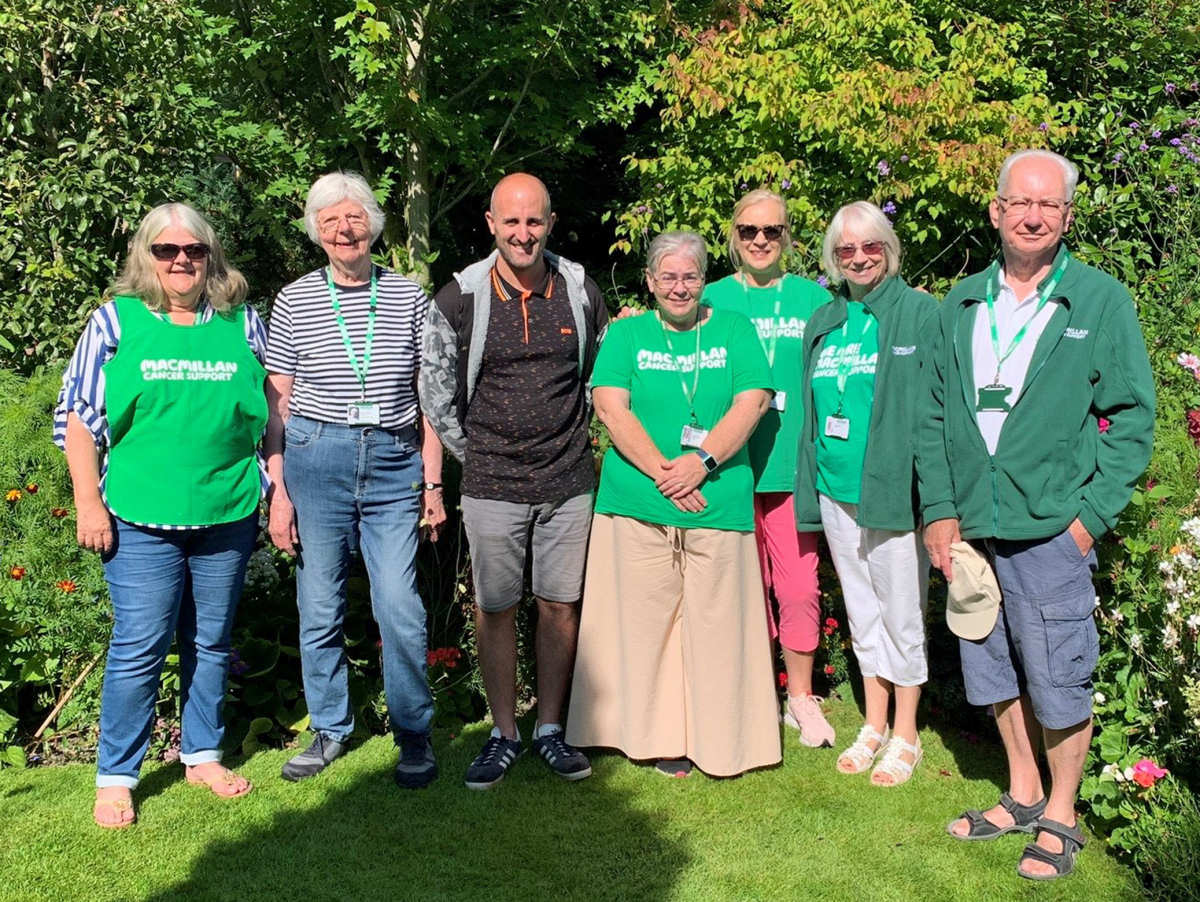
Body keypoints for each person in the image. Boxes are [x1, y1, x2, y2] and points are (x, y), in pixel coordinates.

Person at [920, 150, 1155, 880]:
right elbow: (932, 417)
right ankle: (1021, 792)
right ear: (995, 211)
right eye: (1019, 202)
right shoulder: (959, 304)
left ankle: (1061, 811)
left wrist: (1087, 520)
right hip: (972, 531)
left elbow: (1134, 420)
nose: (1031, 215)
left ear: (1066, 217)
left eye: (1048, 206)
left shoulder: (1098, 301)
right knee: (990, 668)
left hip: (1053, 527)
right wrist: (938, 512)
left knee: (1059, 675)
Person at [55, 203, 267, 827]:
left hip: (226, 513)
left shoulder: (240, 322)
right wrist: (88, 502)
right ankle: (117, 775)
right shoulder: (116, 322)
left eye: (194, 250)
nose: (182, 261)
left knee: (210, 641)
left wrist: (272, 485)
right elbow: (78, 419)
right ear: (147, 256)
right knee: (139, 647)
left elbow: (269, 413)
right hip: (140, 518)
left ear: (211, 256)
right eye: (167, 250)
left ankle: (201, 754)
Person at [566, 230, 781, 778]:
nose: (679, 287)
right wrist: (666, 472)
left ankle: (724, 740)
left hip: (717, 499)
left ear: (703, 279)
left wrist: (700, 463)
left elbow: (753, 400)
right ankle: (652, 737)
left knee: (718, 628)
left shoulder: (734, 329)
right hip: (637, 502)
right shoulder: (627, 333)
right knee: (643, 627)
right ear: (650, 280)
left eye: (690, 276)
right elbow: (610, 407)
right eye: (668, 276)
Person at [419, 173, 608, 789]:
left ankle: (550, 729)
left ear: (550, 223)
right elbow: (435, 393)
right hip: (492, 484)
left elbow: (603, 375)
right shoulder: (459, 297)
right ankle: (503, 734)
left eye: (534, 221)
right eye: (512, 221)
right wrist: (476, 458)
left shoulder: (580, 289)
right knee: (496, 608)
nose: (523, 233)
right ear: (491, 224)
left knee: (560, 606)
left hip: (568, 480)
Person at [265, 171, 447, 789]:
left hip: (396, 461)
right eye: (331, 220)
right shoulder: (293, 300)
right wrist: (279, 491)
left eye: (355, 217)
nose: (345, 229)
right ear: (317, 231)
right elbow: (278, 404)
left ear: (373, 224)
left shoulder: (409, 297)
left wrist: (433, 484)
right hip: (317, 459)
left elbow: (432, 400)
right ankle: (330, 729)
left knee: (398, 602)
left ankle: (414, 733)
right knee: (320, 603)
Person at [793, 201, 937, 787]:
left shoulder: (918, 313)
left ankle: (906, 732)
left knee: (903, 613)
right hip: (834, 490)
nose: (858, 257)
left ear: (889, 249)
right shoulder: (824, 321)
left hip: (891, 493)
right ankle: (873, 722)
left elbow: (936, 410)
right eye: (846, 249)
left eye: (870, 245)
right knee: (862, 610)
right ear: (833, 258)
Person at [703, 189, 834, 748]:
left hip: (791, 468)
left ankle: (800, 698)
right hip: (728, 467)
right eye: (749, 231)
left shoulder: (814, 300)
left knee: (800, 588)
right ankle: (754, 692)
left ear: (789, 238)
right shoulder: (706, 297)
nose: (760, 241)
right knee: (742, 587)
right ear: (732, 237)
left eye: (772, 232)